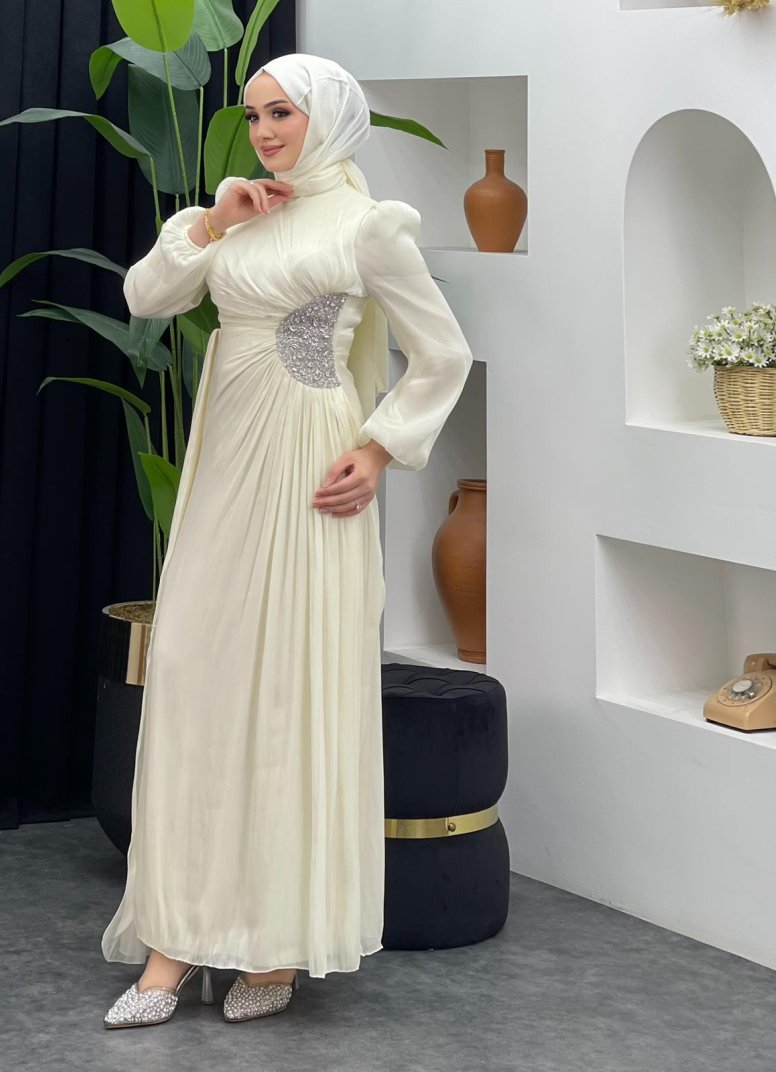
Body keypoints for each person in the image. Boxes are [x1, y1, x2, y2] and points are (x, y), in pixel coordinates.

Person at [100, 52, 474, 1028]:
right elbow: (146, 295)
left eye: (283, 114)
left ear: (328, 117)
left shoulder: (368, 224)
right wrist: (213, 223)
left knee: (286, 688)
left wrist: (381, 449)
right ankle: (172, 943)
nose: (264, 131)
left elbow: (443, 352)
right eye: (255, 114)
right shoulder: (241, 210)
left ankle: (272, 942)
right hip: (225, 462)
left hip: (312, 466)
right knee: (192, 675)